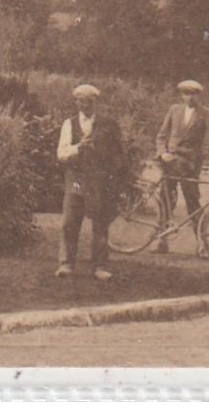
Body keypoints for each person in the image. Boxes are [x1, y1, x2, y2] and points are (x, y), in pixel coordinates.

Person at [55, 82, 125, 281]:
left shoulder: (108, 124)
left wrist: (116, 178)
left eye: (88, 102)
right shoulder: (69, 124)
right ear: (76, 102)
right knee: (70, 219)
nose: (84, 106)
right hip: (77, 179)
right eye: (80, 101)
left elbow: (118, 154)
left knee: (100, 222)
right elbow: (61, 154)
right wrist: (79, 147)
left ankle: (100, 266)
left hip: (99, 181)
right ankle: (66, 263)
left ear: (95, 102)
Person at [151, 78, 209, 255]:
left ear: (199, 95)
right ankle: (162, 242)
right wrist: (163, 153)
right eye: (185, 93)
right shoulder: (174, 110)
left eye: (192, 93)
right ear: (181, 95)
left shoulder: (207, 114)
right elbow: (161, 135)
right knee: (166, 201)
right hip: (170, 163)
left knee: (193, 203)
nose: (189, 97)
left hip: (190, 165)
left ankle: (201, 244)